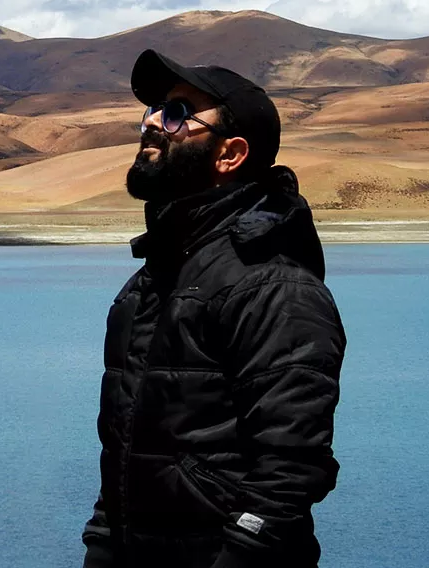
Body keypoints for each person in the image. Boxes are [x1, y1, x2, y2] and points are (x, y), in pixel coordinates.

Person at [80, 49, 346, 568]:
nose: (154, 123)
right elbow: (128, 448)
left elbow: (290, 472)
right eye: (154, 110)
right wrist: (102, 542)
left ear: (230, 155)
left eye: (178, 113)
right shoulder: (149, 282)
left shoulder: (273, 287)